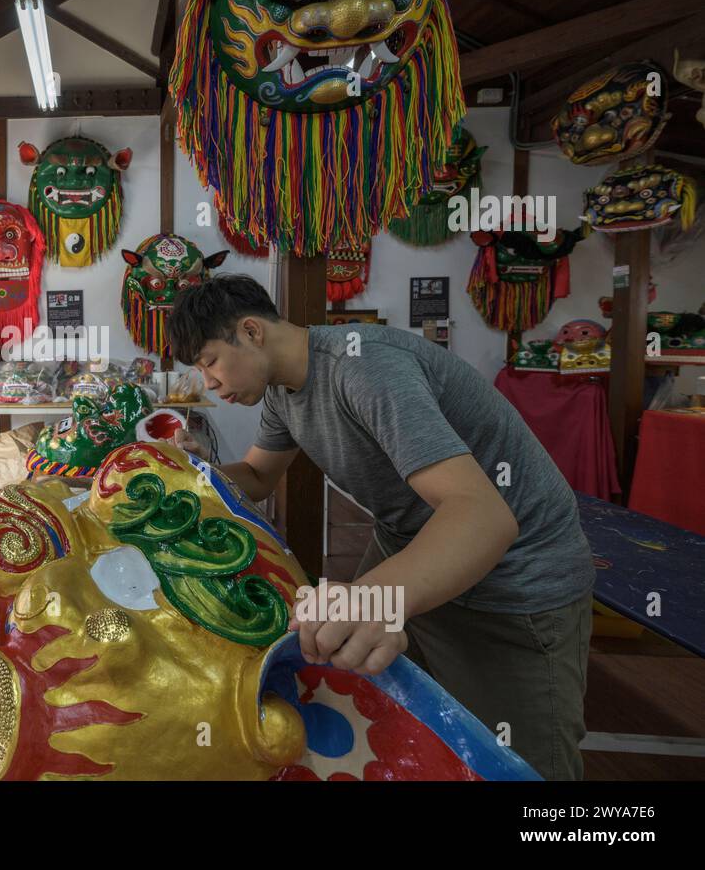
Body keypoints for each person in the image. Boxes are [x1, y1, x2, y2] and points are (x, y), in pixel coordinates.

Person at [165, 274, 594, 781]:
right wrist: (184, 474)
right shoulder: (282, 390)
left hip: (515, 574)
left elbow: (482, 515)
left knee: (517, 763)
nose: (208, 383)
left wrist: (375, 600)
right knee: (401, 720)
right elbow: (258, 477)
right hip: (415, 546)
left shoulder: (364, 368)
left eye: (210, 361)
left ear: (253, 332)